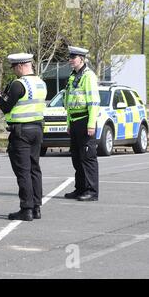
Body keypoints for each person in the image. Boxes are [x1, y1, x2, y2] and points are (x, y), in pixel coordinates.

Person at [0, 53, 47, 221]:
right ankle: (36, 207)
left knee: (23, 171)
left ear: (20, 66)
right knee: (34, 169)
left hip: (21, 132)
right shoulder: (41, 83)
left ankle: (26, 209)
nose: (13, 71)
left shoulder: (19, 84)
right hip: (37, 129)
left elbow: (6, 107)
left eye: (14, 67)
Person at [63, 46, 100, 201]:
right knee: (77, 158)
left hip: (85, 120)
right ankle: (80, 189)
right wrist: (69, 123)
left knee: (88, 158)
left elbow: (93, 102)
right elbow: (70, 102)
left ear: (81, 59)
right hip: (75, 121)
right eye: (70, 57)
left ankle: (92, 191)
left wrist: (91, 123)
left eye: (73, 57)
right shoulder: (73, 76)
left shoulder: (88, 76)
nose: (70, 60)